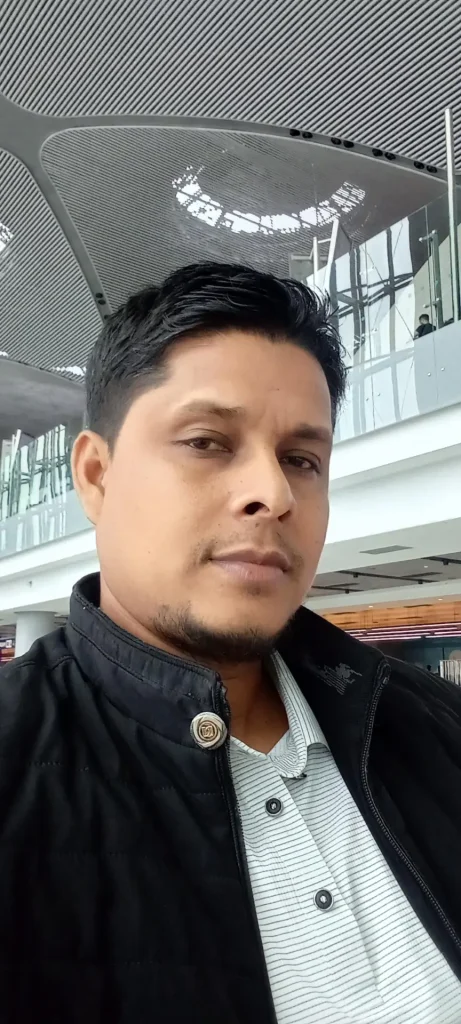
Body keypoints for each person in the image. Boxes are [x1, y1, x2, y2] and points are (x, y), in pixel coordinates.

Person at [1, 263, 461, 1024]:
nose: (273, 495)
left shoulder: (434, 723)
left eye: (301, 460)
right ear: (96, 476)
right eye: (208, 442)